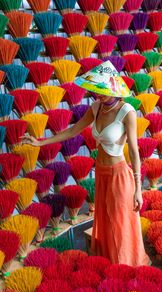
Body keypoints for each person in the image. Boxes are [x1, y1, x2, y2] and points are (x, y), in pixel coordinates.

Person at [22, 61, 150, 266]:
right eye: (95, 90)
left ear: (113, 87)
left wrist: (138, 189)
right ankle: (108, 265)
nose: (98, 95)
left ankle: (125, 267)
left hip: (119, 175)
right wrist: (40, 142)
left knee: (120, 222)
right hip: (100, 172)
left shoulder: (127, 112)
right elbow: (73, 131)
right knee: (106, 221)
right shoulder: (96, 107)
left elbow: (134, 152)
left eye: (102, 90)